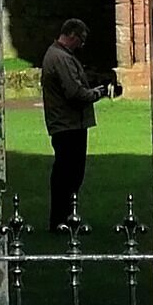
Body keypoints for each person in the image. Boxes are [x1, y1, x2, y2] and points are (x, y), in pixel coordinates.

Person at [39, 16, 116, 231]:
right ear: (72, 34)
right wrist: (99, 93)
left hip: (67, 123)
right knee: (69, 175)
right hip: (68, 125)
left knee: (68, 174)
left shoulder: (59, 55)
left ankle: (64, 218)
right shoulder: (61, 58)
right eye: (80, 39)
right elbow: (74, 93)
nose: (81, 45)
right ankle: (63, 220)